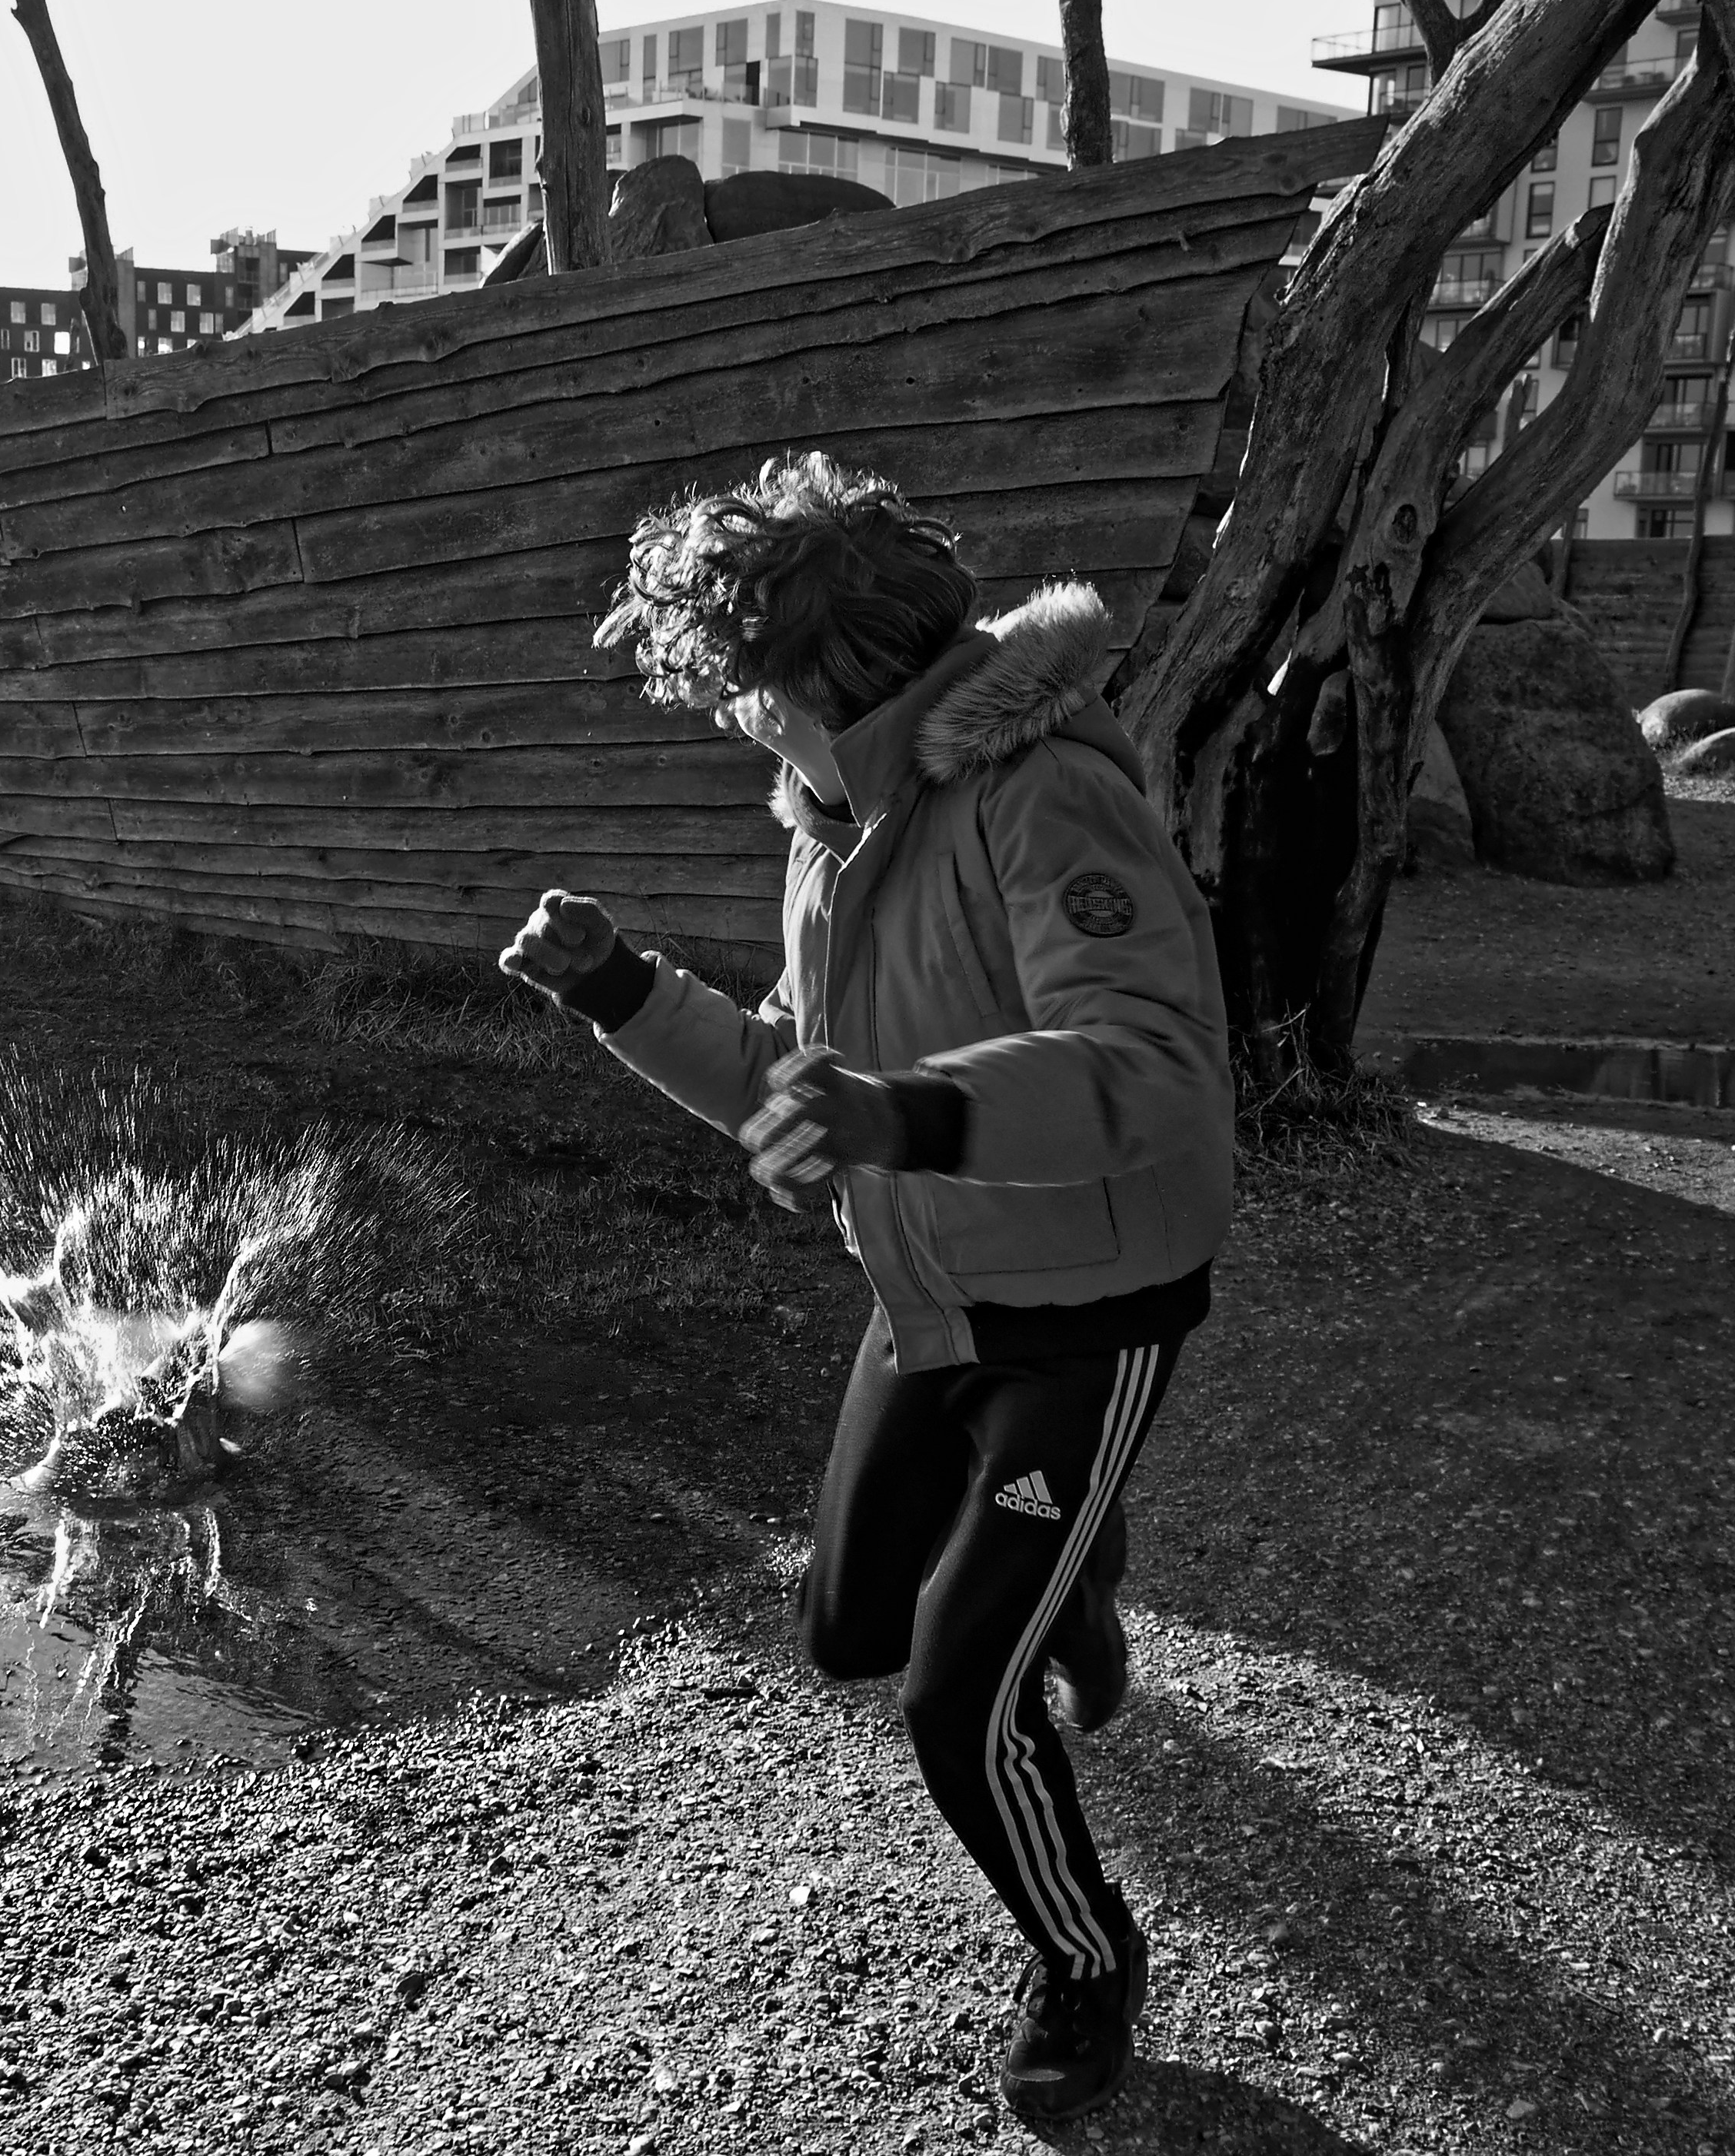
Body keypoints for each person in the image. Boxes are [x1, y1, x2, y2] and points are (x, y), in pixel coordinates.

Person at [499, 452, 1232, 2127]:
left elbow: (1152, 1067)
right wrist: (620, 993)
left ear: (821, 679)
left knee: (956, 1698)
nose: (729, 721)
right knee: (846, 1629)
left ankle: (1086, 1959)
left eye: (739, 689)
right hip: (930, 1291)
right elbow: (797, 1075)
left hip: (1091, 1308)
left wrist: (903, 1115)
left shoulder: (1044, 795)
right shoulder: (836, 831)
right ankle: (1075, 1577)